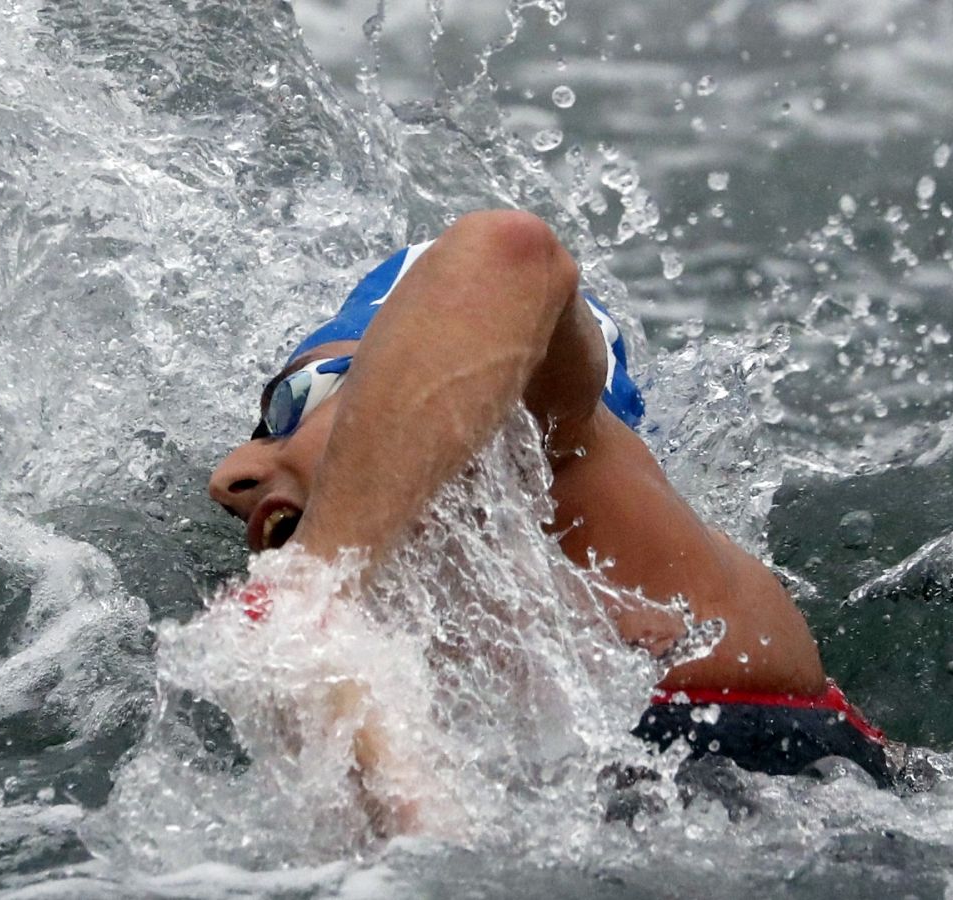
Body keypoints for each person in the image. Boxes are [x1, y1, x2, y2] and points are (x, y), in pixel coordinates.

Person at [206, 211, 890, 825]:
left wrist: (315, 592)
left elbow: (511, 251)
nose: (228, 474)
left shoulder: (562, 452)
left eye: (290, 405)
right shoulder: (444, 668)